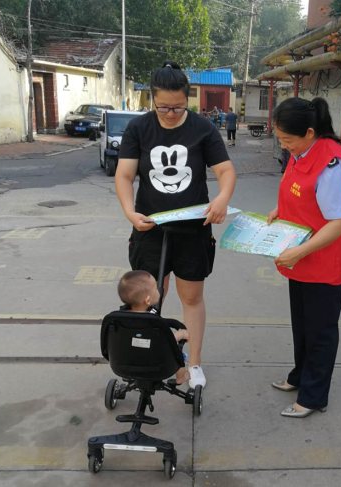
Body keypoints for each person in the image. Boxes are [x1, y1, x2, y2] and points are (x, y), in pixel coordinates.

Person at [116, 61, 237, 389]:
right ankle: (144, 357)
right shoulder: (139, 128)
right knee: (146, 298)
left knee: (192, 298)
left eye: (178, 107)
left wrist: (222, 198)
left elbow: (225, 171)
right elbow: (125, 175)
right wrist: (130, 212)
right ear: (152, 99)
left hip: (193, 230)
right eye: (163, 107)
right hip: (149, 228)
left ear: (188, 99)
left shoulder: (203, 128)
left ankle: (193, 363)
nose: (170, 114)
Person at [267, 97, 341, 418]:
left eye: (287, 139)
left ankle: (314, 396)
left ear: (309, 132)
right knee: (302, 325)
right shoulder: (300, 152)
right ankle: (300, 376)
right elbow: (301, 192)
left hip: (323, 263)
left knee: (320, 331)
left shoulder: (333, 165)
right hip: (301, 259)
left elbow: (337, 224)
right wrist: (280, 210)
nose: (283, 145)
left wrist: (299, 251)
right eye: (280, 138)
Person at [117, 270, 190, 385]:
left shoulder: (121, 318)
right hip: (153, 362)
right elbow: (164, 342)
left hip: (127, 360)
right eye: (156, 289)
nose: (159, 291)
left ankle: (132, 376)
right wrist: (181, 334)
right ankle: (181, 377)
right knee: (177, 353)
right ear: (148, 300)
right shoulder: (152, 321)